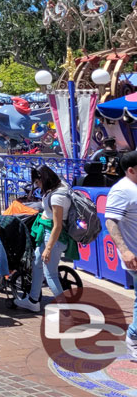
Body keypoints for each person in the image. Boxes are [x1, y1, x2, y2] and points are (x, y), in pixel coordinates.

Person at [16, 164, 78, 313]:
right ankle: (33, 300)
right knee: (37, 263)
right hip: (49, 235)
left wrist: (48, 249)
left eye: (38, 182)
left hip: (52, 237)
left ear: (44, 179)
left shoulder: (57, 196)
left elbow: (57, 226)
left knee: (50, 274)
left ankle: (65, 310)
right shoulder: (61, 186)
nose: (37, 186)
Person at [105, 150, 137, 359]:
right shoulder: (122, 190)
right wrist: (125, 251)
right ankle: (133, 338)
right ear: (132, 170)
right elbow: (110, 221)